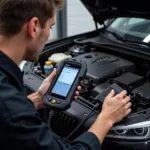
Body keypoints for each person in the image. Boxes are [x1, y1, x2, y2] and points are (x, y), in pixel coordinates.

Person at [0, 0, 131, 150]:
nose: (49, 32)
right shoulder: (9, 105)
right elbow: (11, 113)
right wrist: (106, 118)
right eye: (51, 26)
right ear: (34, 27)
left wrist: (37, 99)